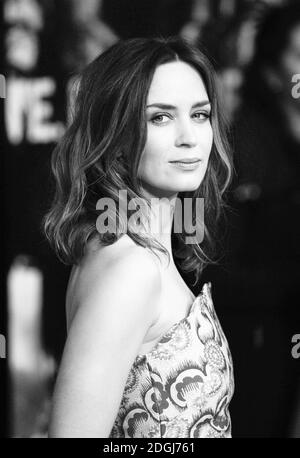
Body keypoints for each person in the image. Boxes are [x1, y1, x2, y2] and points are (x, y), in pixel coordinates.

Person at [42, 36, 234, 438]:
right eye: (160, 117)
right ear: (116, 135)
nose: (189, 137)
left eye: (200, 115)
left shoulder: (128, 246)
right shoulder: (131, 268)